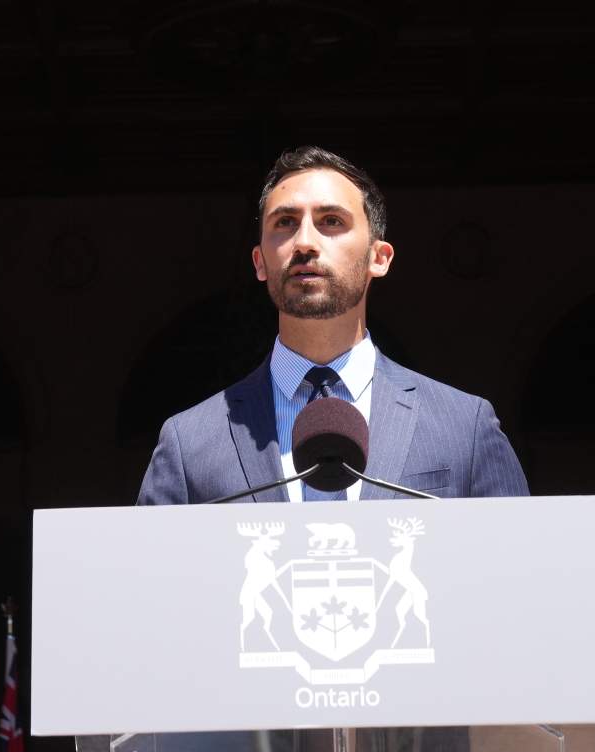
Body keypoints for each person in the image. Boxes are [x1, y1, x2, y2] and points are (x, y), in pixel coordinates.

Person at [137, 145, 528, 504]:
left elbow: (519, 569)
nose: (305, 242)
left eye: (331, 221)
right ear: (259, 262)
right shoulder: (188, 443)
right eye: (286, 222)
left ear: (380, 257)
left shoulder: (464, 427)